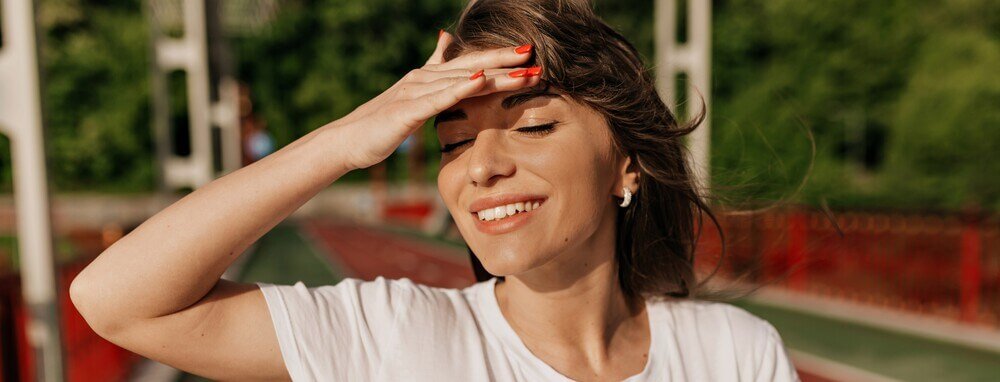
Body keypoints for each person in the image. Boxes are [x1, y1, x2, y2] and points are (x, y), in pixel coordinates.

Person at [69, 0, 799, 380]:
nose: (480, 166)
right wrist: (345, 140)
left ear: (627, 166)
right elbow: (116, 302)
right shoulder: (394, 337)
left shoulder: (733, 355)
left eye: (534, 127)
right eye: (452, 143)